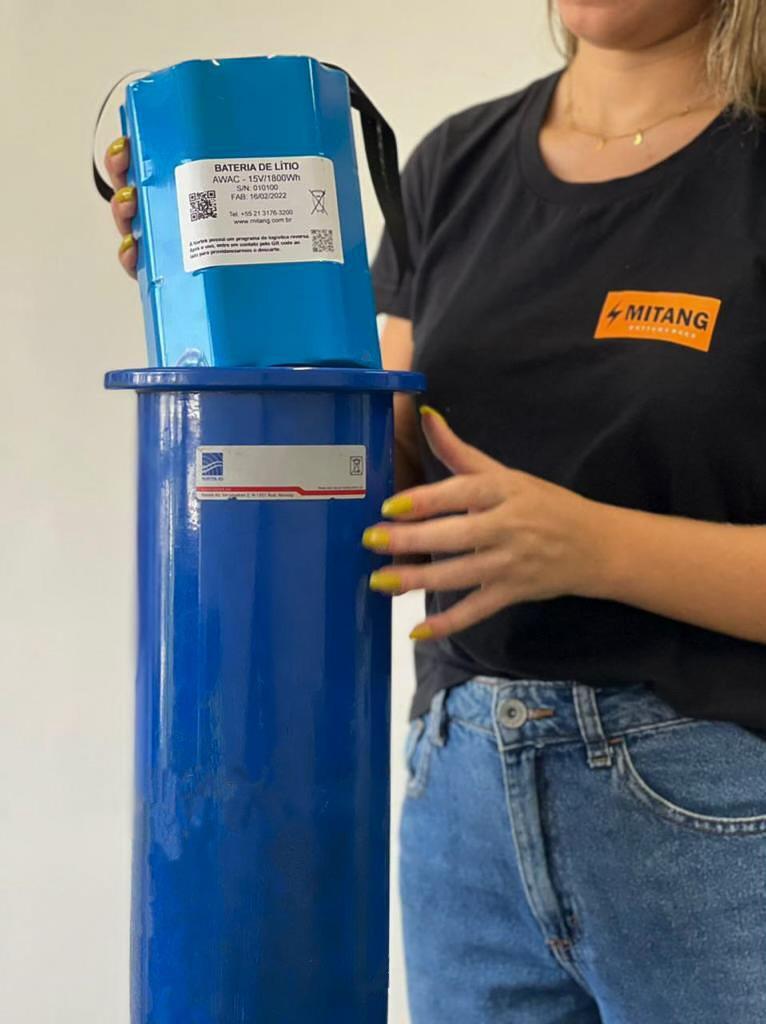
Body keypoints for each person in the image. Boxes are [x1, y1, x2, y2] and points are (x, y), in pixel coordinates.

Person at [105, 2, 766, 1019]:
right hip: (459, 800)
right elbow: (380, 474)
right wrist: (223, 295)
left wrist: (592, 547)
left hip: (712, 799)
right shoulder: (455, 164)